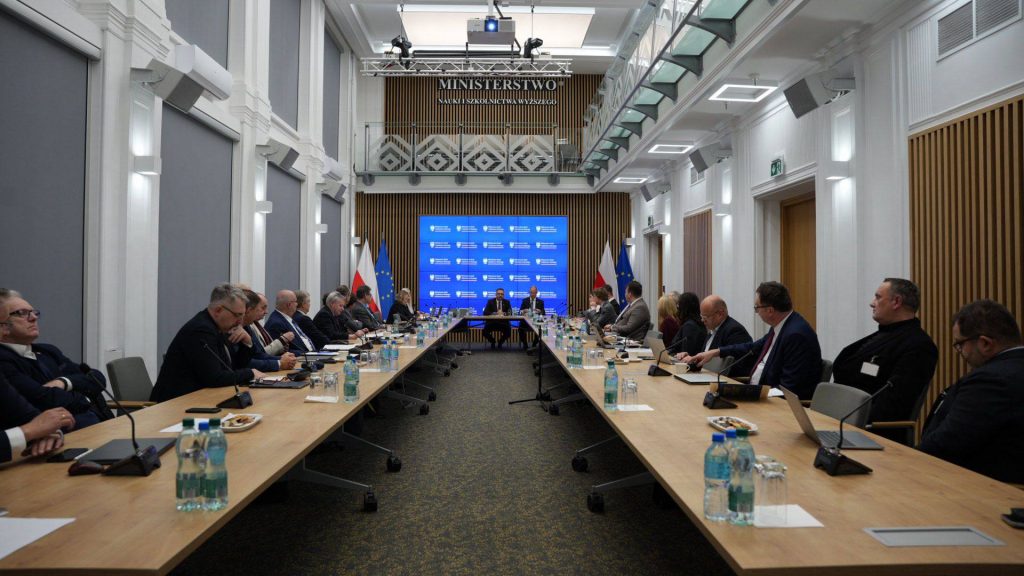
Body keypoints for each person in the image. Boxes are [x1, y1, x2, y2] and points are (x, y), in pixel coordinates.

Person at [920, 300, 1024, 483]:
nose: (960, 352)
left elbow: (946, 445)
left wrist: (903, 459)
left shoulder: (991, 381)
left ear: (985, 343)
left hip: (981, 488)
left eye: (960, 344)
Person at [686, 282, 821, 399]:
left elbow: (788, 389)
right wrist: (716, 352)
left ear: (770, 310)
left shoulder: (796, 335)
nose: (756, 312)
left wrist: (753, 394)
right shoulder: (781, 327)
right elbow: (751, 347)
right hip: (760, 393)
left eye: (757, 308)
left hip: (774, 403)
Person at [832, 278, 938, 426]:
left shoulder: (919, 346)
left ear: (896, 302)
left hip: (866, 429)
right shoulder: (884, 334)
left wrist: (848, 423)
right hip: (839, 418)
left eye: (878, 297)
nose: (872, 303)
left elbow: (892, 405)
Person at [0, 289, 109, 427]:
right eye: (22, 313)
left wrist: (63, 382)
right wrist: (87, 399)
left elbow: (96, 378)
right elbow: (45, 400)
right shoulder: (4, 360)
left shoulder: (48, 351)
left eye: (33, 312)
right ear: (3, 326)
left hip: (99, 423)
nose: (33, 318)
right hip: (59, 433)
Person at [151, 284, 265, 403]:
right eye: (237, 315)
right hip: (174, 403)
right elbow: (215, 378)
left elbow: (233, 367)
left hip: (199, 398)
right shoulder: (201, 330)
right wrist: (250, 373)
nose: (240, 321)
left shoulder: (219, 327)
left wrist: (247, 343)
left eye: (243, 315)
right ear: (218, 310)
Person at [677, 295, 753, 375]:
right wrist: (692, 359)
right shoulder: (713, 329)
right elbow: (705, 358)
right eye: (701, 316)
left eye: (705, 317)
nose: (702, 320)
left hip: (721, 379)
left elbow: (734, 367)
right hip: (705, 376)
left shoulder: (734, 330)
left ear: (720, 314)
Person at [241, 289, 297, 372]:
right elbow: (243, 364)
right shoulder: (239, 328)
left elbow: (259, 354)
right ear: (249, 310)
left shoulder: (248, 326)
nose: (266, 312)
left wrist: (282, 359)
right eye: (262, 308)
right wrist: (279, 362)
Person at [668, 292, 706, 357]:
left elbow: (686, 353)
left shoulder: (690, 326)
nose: (677, 307)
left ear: (684, 307)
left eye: (679, 304)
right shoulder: (695, 323)